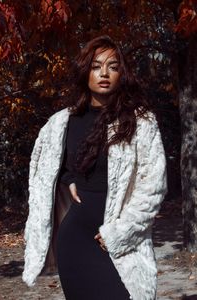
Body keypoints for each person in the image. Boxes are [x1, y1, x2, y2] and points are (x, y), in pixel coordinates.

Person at [22, 35, 167, 300]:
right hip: (75, 239)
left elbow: (153, 185)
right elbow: (45, 167)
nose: (104, 73)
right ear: (85, 71)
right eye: (96, 66)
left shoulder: (140, 122)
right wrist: (70, 177)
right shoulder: (61, 122)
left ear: (121, 74)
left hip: (120, 243)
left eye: (112, 66)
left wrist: (119, 233)